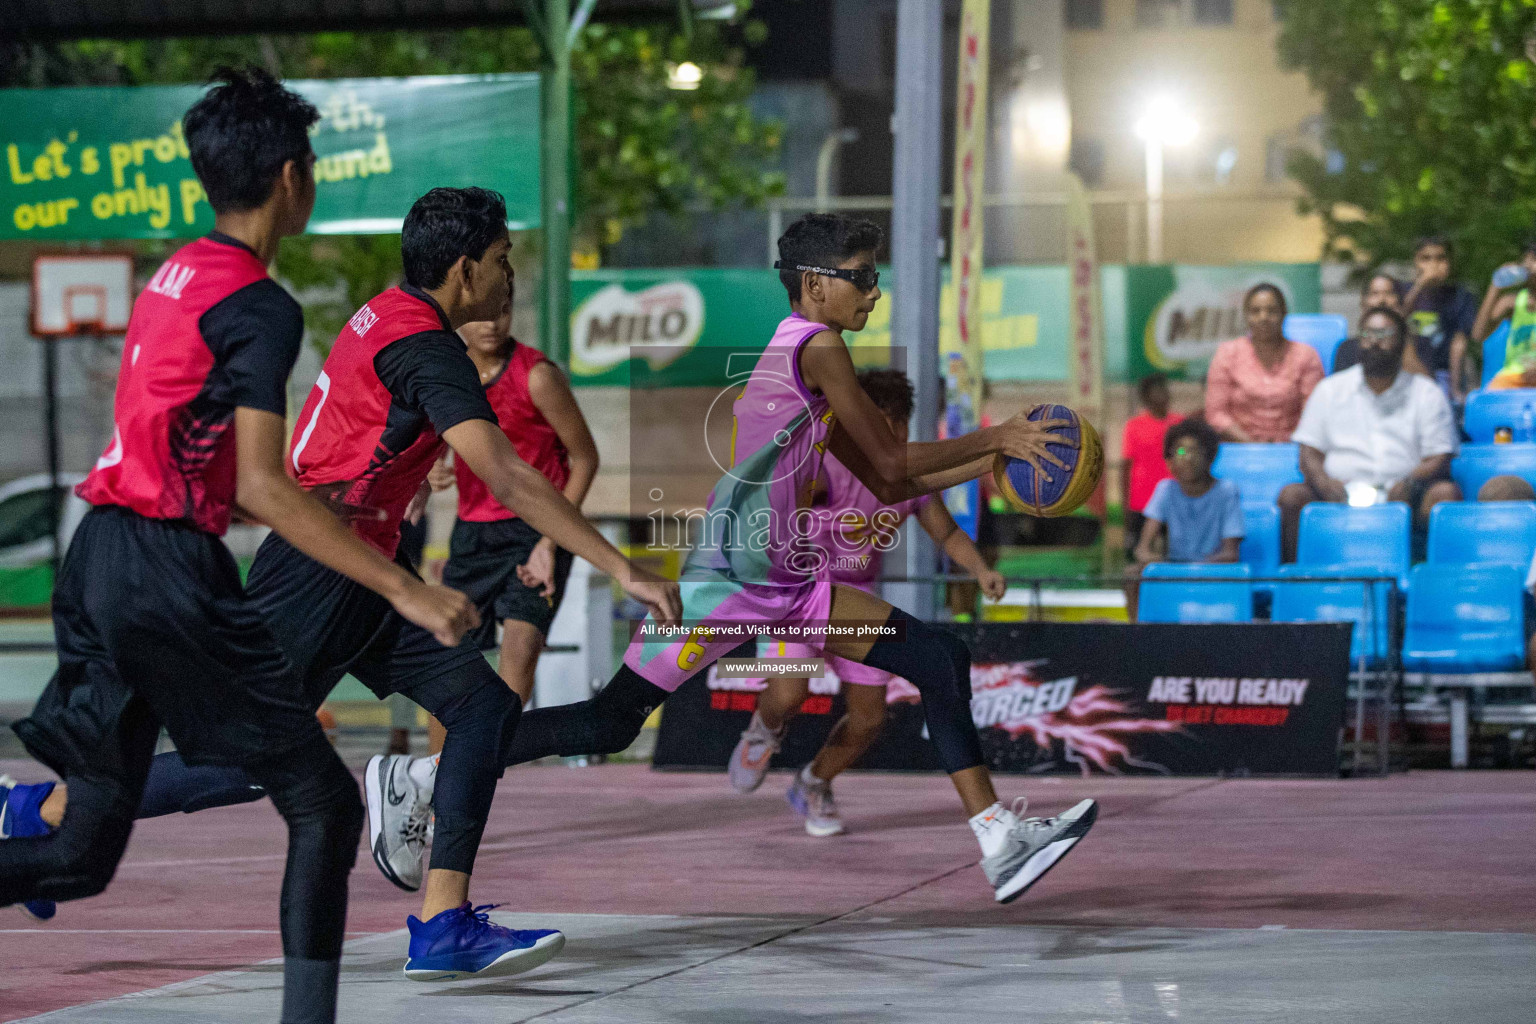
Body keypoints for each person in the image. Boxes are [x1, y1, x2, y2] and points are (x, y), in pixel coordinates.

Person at [6, 186, 683, 985]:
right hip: (322, 572)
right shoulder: (429, 349)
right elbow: (505, 471)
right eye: (502, 263)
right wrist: (622, 566)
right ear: (465, 269)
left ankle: (441, 923)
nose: (508, 280)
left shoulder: (385, 313)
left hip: (357, 565)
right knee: (239, 765)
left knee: (484, 707)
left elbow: (368, 429)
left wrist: (401, 463)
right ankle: (39, 811)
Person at [402, 213, 1099, 904]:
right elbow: (892, 458)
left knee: (935, 658)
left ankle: (999, 839)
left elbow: (888, 481)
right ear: (816, 285)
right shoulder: (819, 345)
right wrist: (998, 436)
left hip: (778, 580)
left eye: (875, 277)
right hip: (734, 580)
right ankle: (427, 778)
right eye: (861, 277)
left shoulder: (803, 355)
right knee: (612, 718)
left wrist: (987, 457)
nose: (874, 291)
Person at [0, 69, 480, 1024]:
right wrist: (409, 591)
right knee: (325, 805)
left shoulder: (174, 273)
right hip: (164, 568)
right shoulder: (261, 305)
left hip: (96, 555)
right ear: (295, 178)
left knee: (80, 858)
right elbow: (264, 486)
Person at [726, 369, 1008, 837]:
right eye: (880, 421)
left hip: (859, 603)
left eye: (899, 423)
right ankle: (764, 730)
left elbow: (948, 532)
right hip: (800, 595)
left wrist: (981, 570)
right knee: (790, 693)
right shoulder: (822, 465)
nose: (891, 434)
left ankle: (814, 782)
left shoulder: (908, 481)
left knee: (870, 718)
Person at [414, 295, 598, 759]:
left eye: (502, 310)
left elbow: (585, 458)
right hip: (473, 534)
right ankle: (435, 783)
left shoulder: (538, 376)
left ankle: (476, 772)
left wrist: (550, 541)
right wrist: (429, 472)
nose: (492, 323)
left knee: (519, 653)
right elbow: (431, 442)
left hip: (536, 533)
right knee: (451, 663)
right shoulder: (446, 372)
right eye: (479, 314)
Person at [1279, 306, 1461, 561]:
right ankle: (1302, 583)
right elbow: (1308, 451)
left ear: (1402, 343)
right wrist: (1323, 483)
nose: (1375, 342)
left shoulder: (1426, 393)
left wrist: (1411, 482)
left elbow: (1439, 455)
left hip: (1406, 494)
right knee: (1292, 496)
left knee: (1444, 495)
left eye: (1385, 334)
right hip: (1339, 495)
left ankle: (1433, 586)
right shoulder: (1330, 389)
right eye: (1368, 334)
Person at [1123, 418, 1244, 620]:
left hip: (1212, 571)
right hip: (1174, 568)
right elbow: (1143, 548)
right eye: (1180, 452)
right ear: (1169, 460)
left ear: (1210, 456)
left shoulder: (1226, 491)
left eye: (1195, 451)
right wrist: (1158, 563)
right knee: (1132, 574)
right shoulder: (1165, 489)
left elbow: (1231, 554)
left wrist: (1193, 567)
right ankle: (1138, 637)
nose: (1187, 458)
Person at [1204, 283, 1324, 443]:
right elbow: (1215, 414)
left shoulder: (1305, 356)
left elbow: (1315, 413)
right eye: (1255, 311)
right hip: (1239, 447)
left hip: (1294, 448)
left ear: (1284, 314)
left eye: (1272, 311)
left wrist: (1288, 442)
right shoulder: (1228, 354)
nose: (1263, 317)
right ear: (1246, 316)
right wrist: (1251, 444)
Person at [1401, 235, 1479, 401]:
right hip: (1407, 370)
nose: (1433, 265)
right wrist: (1420, 286)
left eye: (1440, 258)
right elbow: (1395, 321)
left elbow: (1459, 343)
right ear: (1415, 261)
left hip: (1444, 372)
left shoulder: (1461, 296)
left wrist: (1455, 389)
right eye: (1426, 259)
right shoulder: (1403, 291)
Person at [1120, 373, 1182, 559]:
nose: (1163, 395)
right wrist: (1126, 506)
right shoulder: (1134, 426)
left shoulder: (1179, 423)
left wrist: (1179, 454)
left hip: (1174, 500)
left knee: (1175, 554)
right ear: (1146, 397)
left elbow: (1183, 453)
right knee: (1137, 554)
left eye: (1165, 390)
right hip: (1142, 501)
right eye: (1157, 391)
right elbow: (1126, 466)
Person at [1471, 240, 1536, 390]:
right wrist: (1495, 286)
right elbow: (1478, 335)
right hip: (1514, 377)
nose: (1528, 265)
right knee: (1489, 399)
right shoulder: (1512, 303)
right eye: (1526, 260)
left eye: (1534, 260)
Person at [1333, 272, 1417, 375]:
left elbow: (1421, 385)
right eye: (1375, 293)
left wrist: (1403, 329)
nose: (1382, 300)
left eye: (1389, 293)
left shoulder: (1417, 345)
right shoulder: (1348, 349)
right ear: (1363, 303)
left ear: (1400, 301)